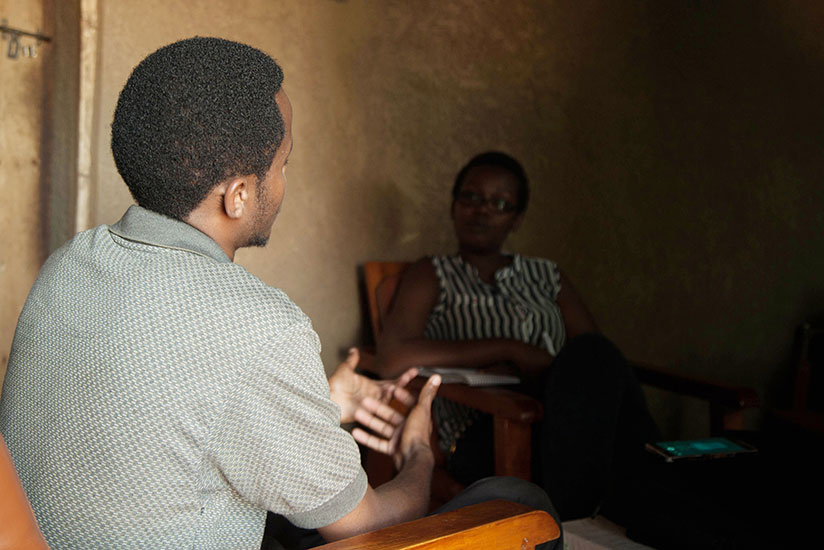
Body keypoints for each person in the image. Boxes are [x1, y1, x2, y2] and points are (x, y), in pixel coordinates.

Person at [0, 40, 559, 550]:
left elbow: (156, 410)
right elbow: (366, 523)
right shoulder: (255, 323)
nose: (285, 182)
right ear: (239, 194)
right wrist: (418, 457)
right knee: (521, 501)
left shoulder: (69, 264)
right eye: (283, 163)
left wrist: (320, 403)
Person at [375, 151, 660, 521]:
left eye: (499, 203)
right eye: (471, 197)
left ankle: (647, 492)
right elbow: (390, 358)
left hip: (562, 416)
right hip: (485, 427)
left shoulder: (548, 276)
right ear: (454, 205)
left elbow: (597, 360)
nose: (482, 210)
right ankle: (605, 506)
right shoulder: (432, 273)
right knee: (629, 465)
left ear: (517, 218)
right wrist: (508, 347)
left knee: (596, 355)